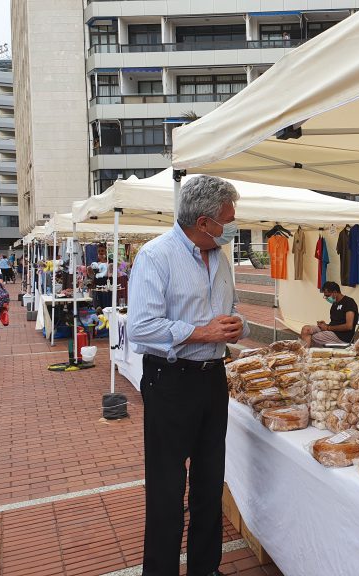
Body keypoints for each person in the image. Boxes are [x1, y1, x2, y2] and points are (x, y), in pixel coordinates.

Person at [128, 175, 249, 576]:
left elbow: (228, 314)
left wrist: (237, 327)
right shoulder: (156, 256)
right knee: (166, 488)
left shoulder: (220, 257)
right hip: (171, 381)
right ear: (203, 222)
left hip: (214, 379)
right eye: (227, 220)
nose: (232, 226)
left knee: (210, 484)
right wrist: (201, 332)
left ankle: (205, 568)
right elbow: (141, 328)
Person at [300, 281, 359, 347]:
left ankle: (305, 354)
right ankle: (305, 353)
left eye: (327, 295)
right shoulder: (334, 304)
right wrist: (325, 325)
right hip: (332, 331)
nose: (326, 298)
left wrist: (328, 327)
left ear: (335, 292)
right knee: (306, 329)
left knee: (312, 338)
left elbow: (349, 326)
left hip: (342, 337)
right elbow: (336, 323)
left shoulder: (349, 302)